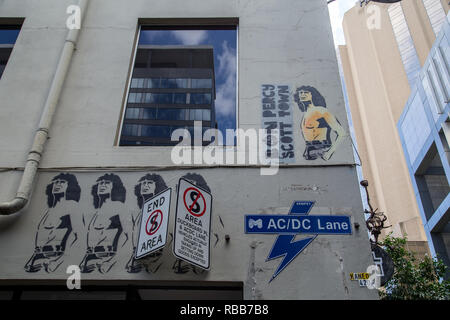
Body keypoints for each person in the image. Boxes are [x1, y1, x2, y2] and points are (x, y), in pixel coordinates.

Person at [24, 173, 82, 273]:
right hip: (37, 260)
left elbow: (79, 236)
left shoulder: (73, 206)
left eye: (62, 182)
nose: (58, 184)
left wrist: (60, 261)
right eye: (56, 182)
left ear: (70, 186)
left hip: (56, 259)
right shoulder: (49, 210)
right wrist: (31, 261)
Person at [79, 173, 129, 273]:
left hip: (109, 258)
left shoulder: (119, 208)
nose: (102, 185)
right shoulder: (93, 213)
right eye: (100, 183)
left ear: (114, 187)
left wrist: (113, 260)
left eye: (107, 183)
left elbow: (127, 236)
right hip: (90, 260)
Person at [126, 174, 168, 273]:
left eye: (149, 183)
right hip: (137, 258)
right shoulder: (139, 212)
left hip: (153, 260)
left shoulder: (159, 210)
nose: (145, 186)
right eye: (143, 183)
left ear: (156, 186)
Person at [293, 86, 346, 161]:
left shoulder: (321, 111)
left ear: (312, 95)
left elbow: (342, 133)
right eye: (301, 93)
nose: (303, 94)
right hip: (309, 152)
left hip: (321, 149)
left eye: (306, 92)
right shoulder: (305, 114)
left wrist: (329, 153)